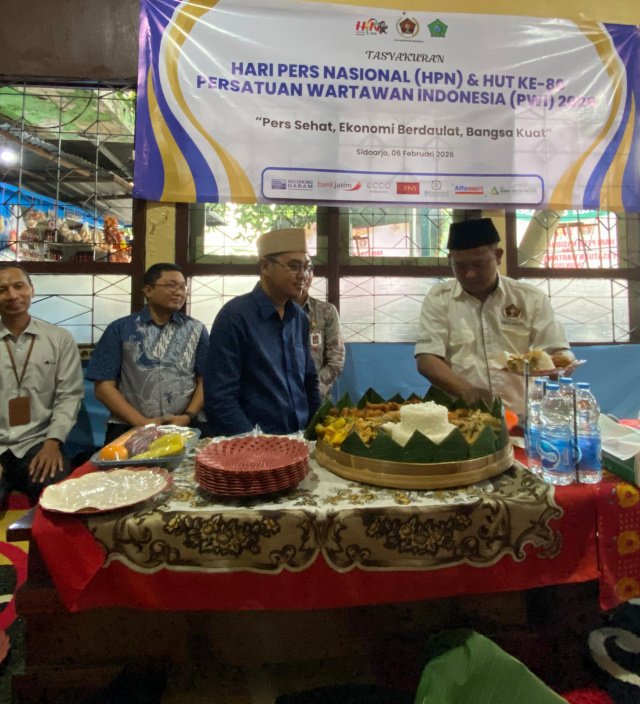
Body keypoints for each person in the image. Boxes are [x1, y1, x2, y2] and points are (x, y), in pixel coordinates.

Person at [414, 218, 573, 416]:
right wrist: (466, 391)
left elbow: (559, 351)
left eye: (478, 264)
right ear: (450, 260)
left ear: (497, 256)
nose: (469, 274)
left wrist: (563, 363)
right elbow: (427, 358)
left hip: (520, 414)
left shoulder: (529, 298)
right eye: (460, 266)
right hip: (462, 415)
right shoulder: (440, 298)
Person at [204, 228, 322, 436]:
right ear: (265, 266)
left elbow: (309, 379)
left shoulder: (299, 318)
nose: (303, 275)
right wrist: (255, 443)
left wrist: (318, 429)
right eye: (294, 266)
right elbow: (220, 398)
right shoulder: (235, 316)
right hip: (254, 444)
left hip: (300, 439)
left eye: (307, 267)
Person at [87, 263, 210, 444]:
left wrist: (187, 417)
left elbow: (205, 380)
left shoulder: (196, 329)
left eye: (183, 287)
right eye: (171, 285)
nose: (179, 292)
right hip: (129, 428)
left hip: (185, 426)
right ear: (148, 290)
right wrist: (142, 423)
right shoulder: (120, 329)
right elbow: (103, 387)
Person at [0, 263, 83, 504]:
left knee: (57, 497)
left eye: (18, 286)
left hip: (38, 442)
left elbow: (69, 395)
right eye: (2, 289)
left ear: (32, 290)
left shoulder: (59, 339)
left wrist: (53, 443)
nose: (12, 295)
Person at [297, 269, 345, 399]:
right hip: (279, 400)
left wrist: (312, 390)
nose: (303, 276)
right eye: (295, 268)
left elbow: (336, 360)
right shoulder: (273, 312)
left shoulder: (326, 311)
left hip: (316, 398)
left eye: (308, 270)